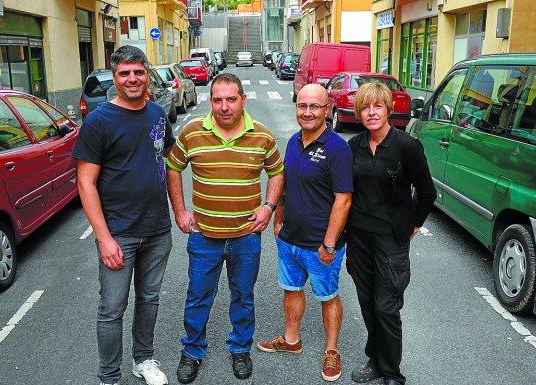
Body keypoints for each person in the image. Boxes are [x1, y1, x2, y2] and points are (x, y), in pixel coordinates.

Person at [165, 73, 285, 384]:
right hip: (204, 236)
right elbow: (173, 166)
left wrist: (269, 207)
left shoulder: (262, 135)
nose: (224, 106)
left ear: (243, 99)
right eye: (218, 100)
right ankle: (192, 351)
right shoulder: (192, 133)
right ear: (210, 101)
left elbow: (277, 172)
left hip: (246, 237)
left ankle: (240, 347)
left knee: (243, 296)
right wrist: (179, 210)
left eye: (231, 99)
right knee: (198, 296)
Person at [72, 45, 175, 385]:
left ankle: (143, 359)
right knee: (112, 308)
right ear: (114, 79)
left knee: (149, 298)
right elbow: (85, 183)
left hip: (157, 230)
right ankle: (109, 375)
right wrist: (104, 238)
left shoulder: (158, 114)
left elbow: (168, 163)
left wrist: (179, 212)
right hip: (119, 233)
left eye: (138, 72)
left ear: (147, 74)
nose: (132, 79)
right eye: (124, 73)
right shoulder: (99, 121)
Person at [257, 84, 353, 382]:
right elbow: (286, 183)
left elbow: (343, 199)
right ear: (296, 107)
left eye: (315, 107)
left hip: (320, 244)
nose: (307, 112)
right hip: (290, 238)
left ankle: (332, 351)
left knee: (328, 296)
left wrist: (329, 242)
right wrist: (278, 219)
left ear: (327, 110)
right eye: (302, 106)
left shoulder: (338, 148)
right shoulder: (294, 142)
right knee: (291, 289)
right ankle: (291, 339)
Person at [346, 82, 436, 385]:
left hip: (390, 240)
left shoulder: (406, 146)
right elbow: (345, 193)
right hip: (359, 238)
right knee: (368, 303)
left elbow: (427, 192)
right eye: (365, 107)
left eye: (378, 106)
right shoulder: (354, 145)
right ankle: (375, 360)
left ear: (388, 109)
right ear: (359, 112)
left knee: (387, 307)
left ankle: (392, 373)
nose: (371, 112)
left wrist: (414, 224)